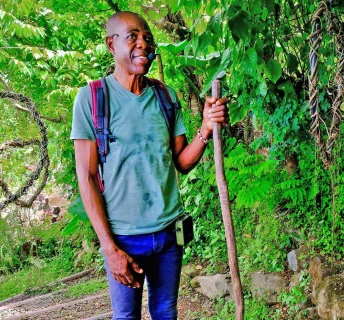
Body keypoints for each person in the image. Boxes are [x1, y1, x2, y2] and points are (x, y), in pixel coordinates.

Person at [70, 11, 229, 320]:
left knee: (166, 312)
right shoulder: (91, 99)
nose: (143, 43)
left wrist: (206, 128)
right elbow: (87, 177)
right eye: (132, 36)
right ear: (111, 44)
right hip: (124, 239)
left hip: (169, 234)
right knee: (126, 317)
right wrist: (109, 248)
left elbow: (181, 162)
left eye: (147, 37)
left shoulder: (165, 97)